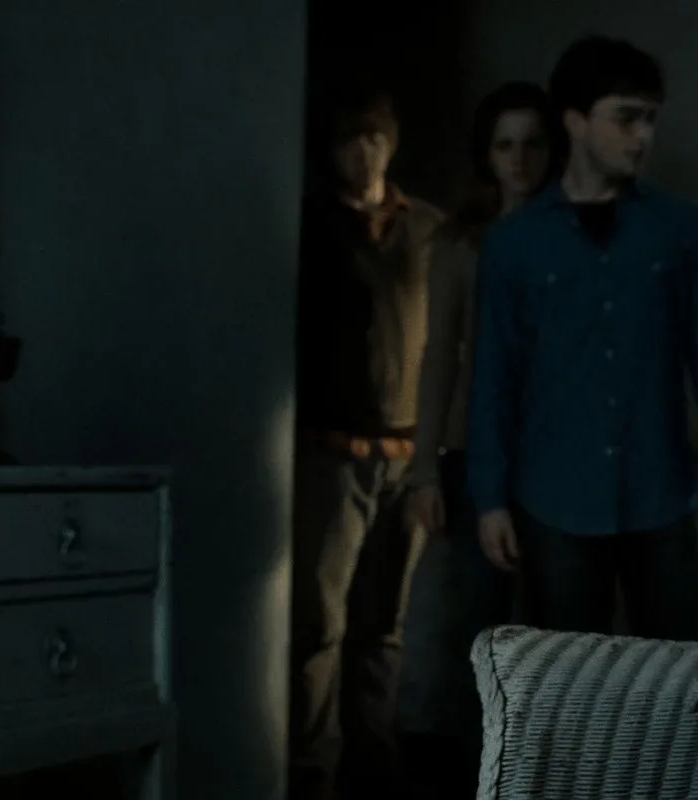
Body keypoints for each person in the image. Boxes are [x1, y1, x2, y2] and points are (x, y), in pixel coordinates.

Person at [466, 36, 698, 641]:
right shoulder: (514, 244)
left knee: (676, 666)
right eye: (625, 118)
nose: (641, 136)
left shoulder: (681, 228)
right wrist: (489, 498)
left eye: (649, 119)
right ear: (575, 121)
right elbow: (493, 378)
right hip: (554, 497)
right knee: (566, 672)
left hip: (660, 492)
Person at [291, 84, 445, 800]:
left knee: (384, 625)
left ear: (391, 143)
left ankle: (375, 772)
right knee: (319, 623)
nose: (363, 153)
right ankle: (312, 773)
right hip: (334, 454)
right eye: (350, 140)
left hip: (406, 458)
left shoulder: (427, 228)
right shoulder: (314, 224)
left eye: (374, 138)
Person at [404, 81, 558, 751]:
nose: (518, 160)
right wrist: (424, 469)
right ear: (487, 155)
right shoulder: (461, 243)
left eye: (532, 145)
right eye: (505, 146)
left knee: (548, 626)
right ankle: (455, 758)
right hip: (472, 452)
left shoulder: (572, 233)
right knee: (460, 619)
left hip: (555, 455)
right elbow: (439, 354)